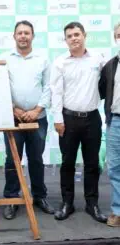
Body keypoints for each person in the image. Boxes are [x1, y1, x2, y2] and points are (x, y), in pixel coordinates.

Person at [50, 22, 107, 223]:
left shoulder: (98, 59)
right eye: (69, 36)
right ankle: (67, 203)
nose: (74, 38)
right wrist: (58, 119)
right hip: (68, 119)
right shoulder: (60, 63)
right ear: (65, 40)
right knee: (67, 163)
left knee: (92, 164)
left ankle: (92, 204)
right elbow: (56, 93)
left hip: (92, 119)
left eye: (77, 34)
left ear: (84, 35)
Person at [0, 20, 54, 220]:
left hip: (38, 118)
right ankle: (12, 198)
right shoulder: (4, 58)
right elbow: (0, 87)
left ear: (33, 36)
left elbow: (48, 87)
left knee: (36, 158)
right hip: (12, 118)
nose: (23, 36)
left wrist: (37, 109)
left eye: (27, 33)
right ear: (14, 36)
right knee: (12, 159)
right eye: (20, 33)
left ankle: (39, 196)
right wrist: (14, 109)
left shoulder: (42, 58)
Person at [99, 23, 120, 227]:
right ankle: (118, 210)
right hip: (116, 121)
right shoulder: (111, 65)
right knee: (115, 168)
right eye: (119, 35)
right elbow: (102, 90)